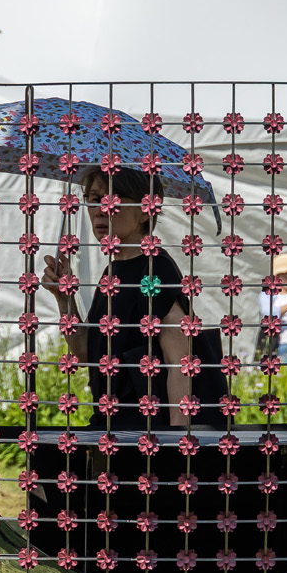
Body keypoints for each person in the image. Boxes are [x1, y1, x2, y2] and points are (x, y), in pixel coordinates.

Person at [41, 165, 193, 431]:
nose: (101, 210)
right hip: (111, 427)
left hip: (145, 434)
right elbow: (86, 351)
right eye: (93, 199)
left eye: (113, 199)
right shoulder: (112, 272)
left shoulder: (155, 271)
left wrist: (174, 441)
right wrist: (65, 299)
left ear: (146, 210)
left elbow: (180, 363)